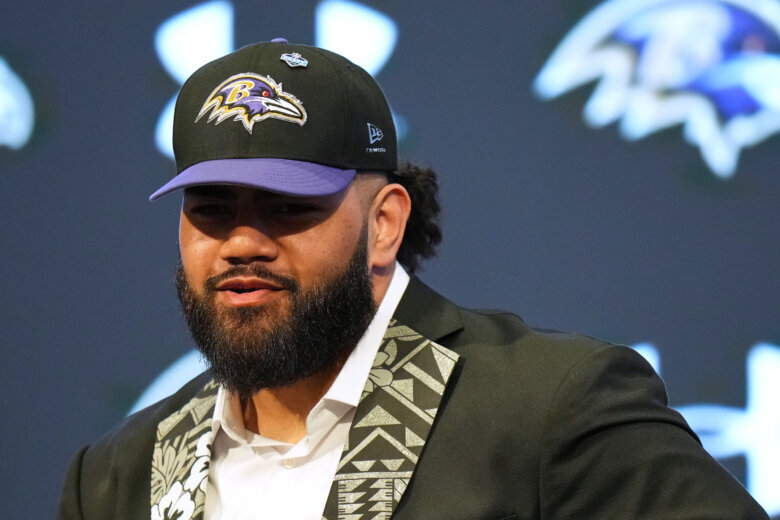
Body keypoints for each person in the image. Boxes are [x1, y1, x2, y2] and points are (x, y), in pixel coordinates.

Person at [57, 40, 768, 520]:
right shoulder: (117, 476)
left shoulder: (553, 409)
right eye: (212, 210)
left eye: (287, 207)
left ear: (385, 224)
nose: (242, 242)